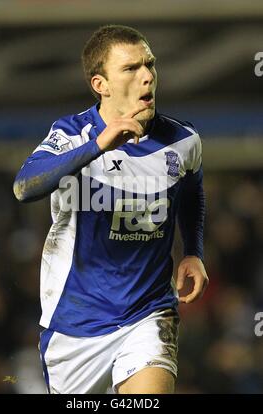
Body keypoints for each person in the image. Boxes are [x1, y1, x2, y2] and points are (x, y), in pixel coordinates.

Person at [13, 24, 209, 394]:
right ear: (100, 84)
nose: (148, 77)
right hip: (76, 323)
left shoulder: (182, 141)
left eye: (149, 64)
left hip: (147, 312)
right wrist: (97, 146)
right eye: (131, 69)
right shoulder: (73, 135)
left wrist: (194, 252)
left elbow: (192, 189)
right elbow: (24, 187)